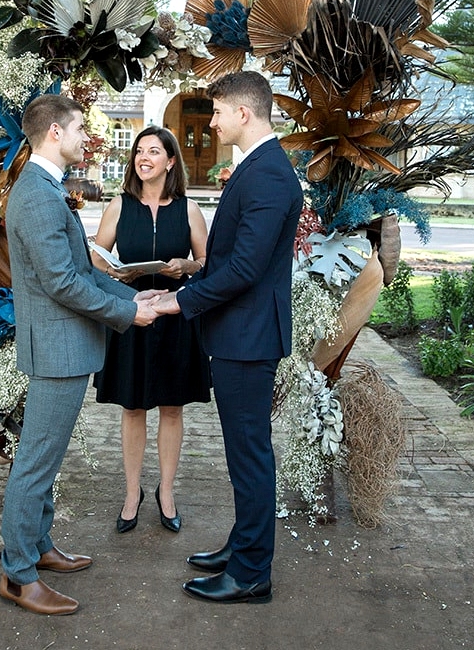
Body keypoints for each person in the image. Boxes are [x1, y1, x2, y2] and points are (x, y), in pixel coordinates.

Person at [0, 94, 161, 616]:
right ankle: (18, 574)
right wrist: (125, 315)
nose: (84, 137)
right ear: (53, 134)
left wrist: (131, 296)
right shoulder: (39, 195)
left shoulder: (45, 188)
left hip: (63, 347)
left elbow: (80, 269)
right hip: (56, 350)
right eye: (77, 129)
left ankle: (39, 548)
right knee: (35, 463)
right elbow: (62, 283)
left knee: (45, 458)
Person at [156, 71, 303, 604]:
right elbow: (232, 258)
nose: (211, 122)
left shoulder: (267, 175)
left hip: (249, 338)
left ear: (244, 113)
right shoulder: (257, 168)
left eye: (217, 112)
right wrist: (189, 281)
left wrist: (180, 300)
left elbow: (243, 267)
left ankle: (250, 574)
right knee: (244, 453)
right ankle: (243, 547)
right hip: (241, 334)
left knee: (250, 456)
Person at [92, 126, 209, 534]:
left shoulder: (189, 209)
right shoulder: (119, 206)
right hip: (131, 317)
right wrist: (115, 275)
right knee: (133, 406)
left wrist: (185, 267)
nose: (143, 158)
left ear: (170, 161)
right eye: (139, 151)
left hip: (177, 318)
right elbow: (97, 258)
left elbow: (206, 263)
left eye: (153, 152)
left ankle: (167, 492)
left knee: (173, 408)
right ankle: (131, 493)